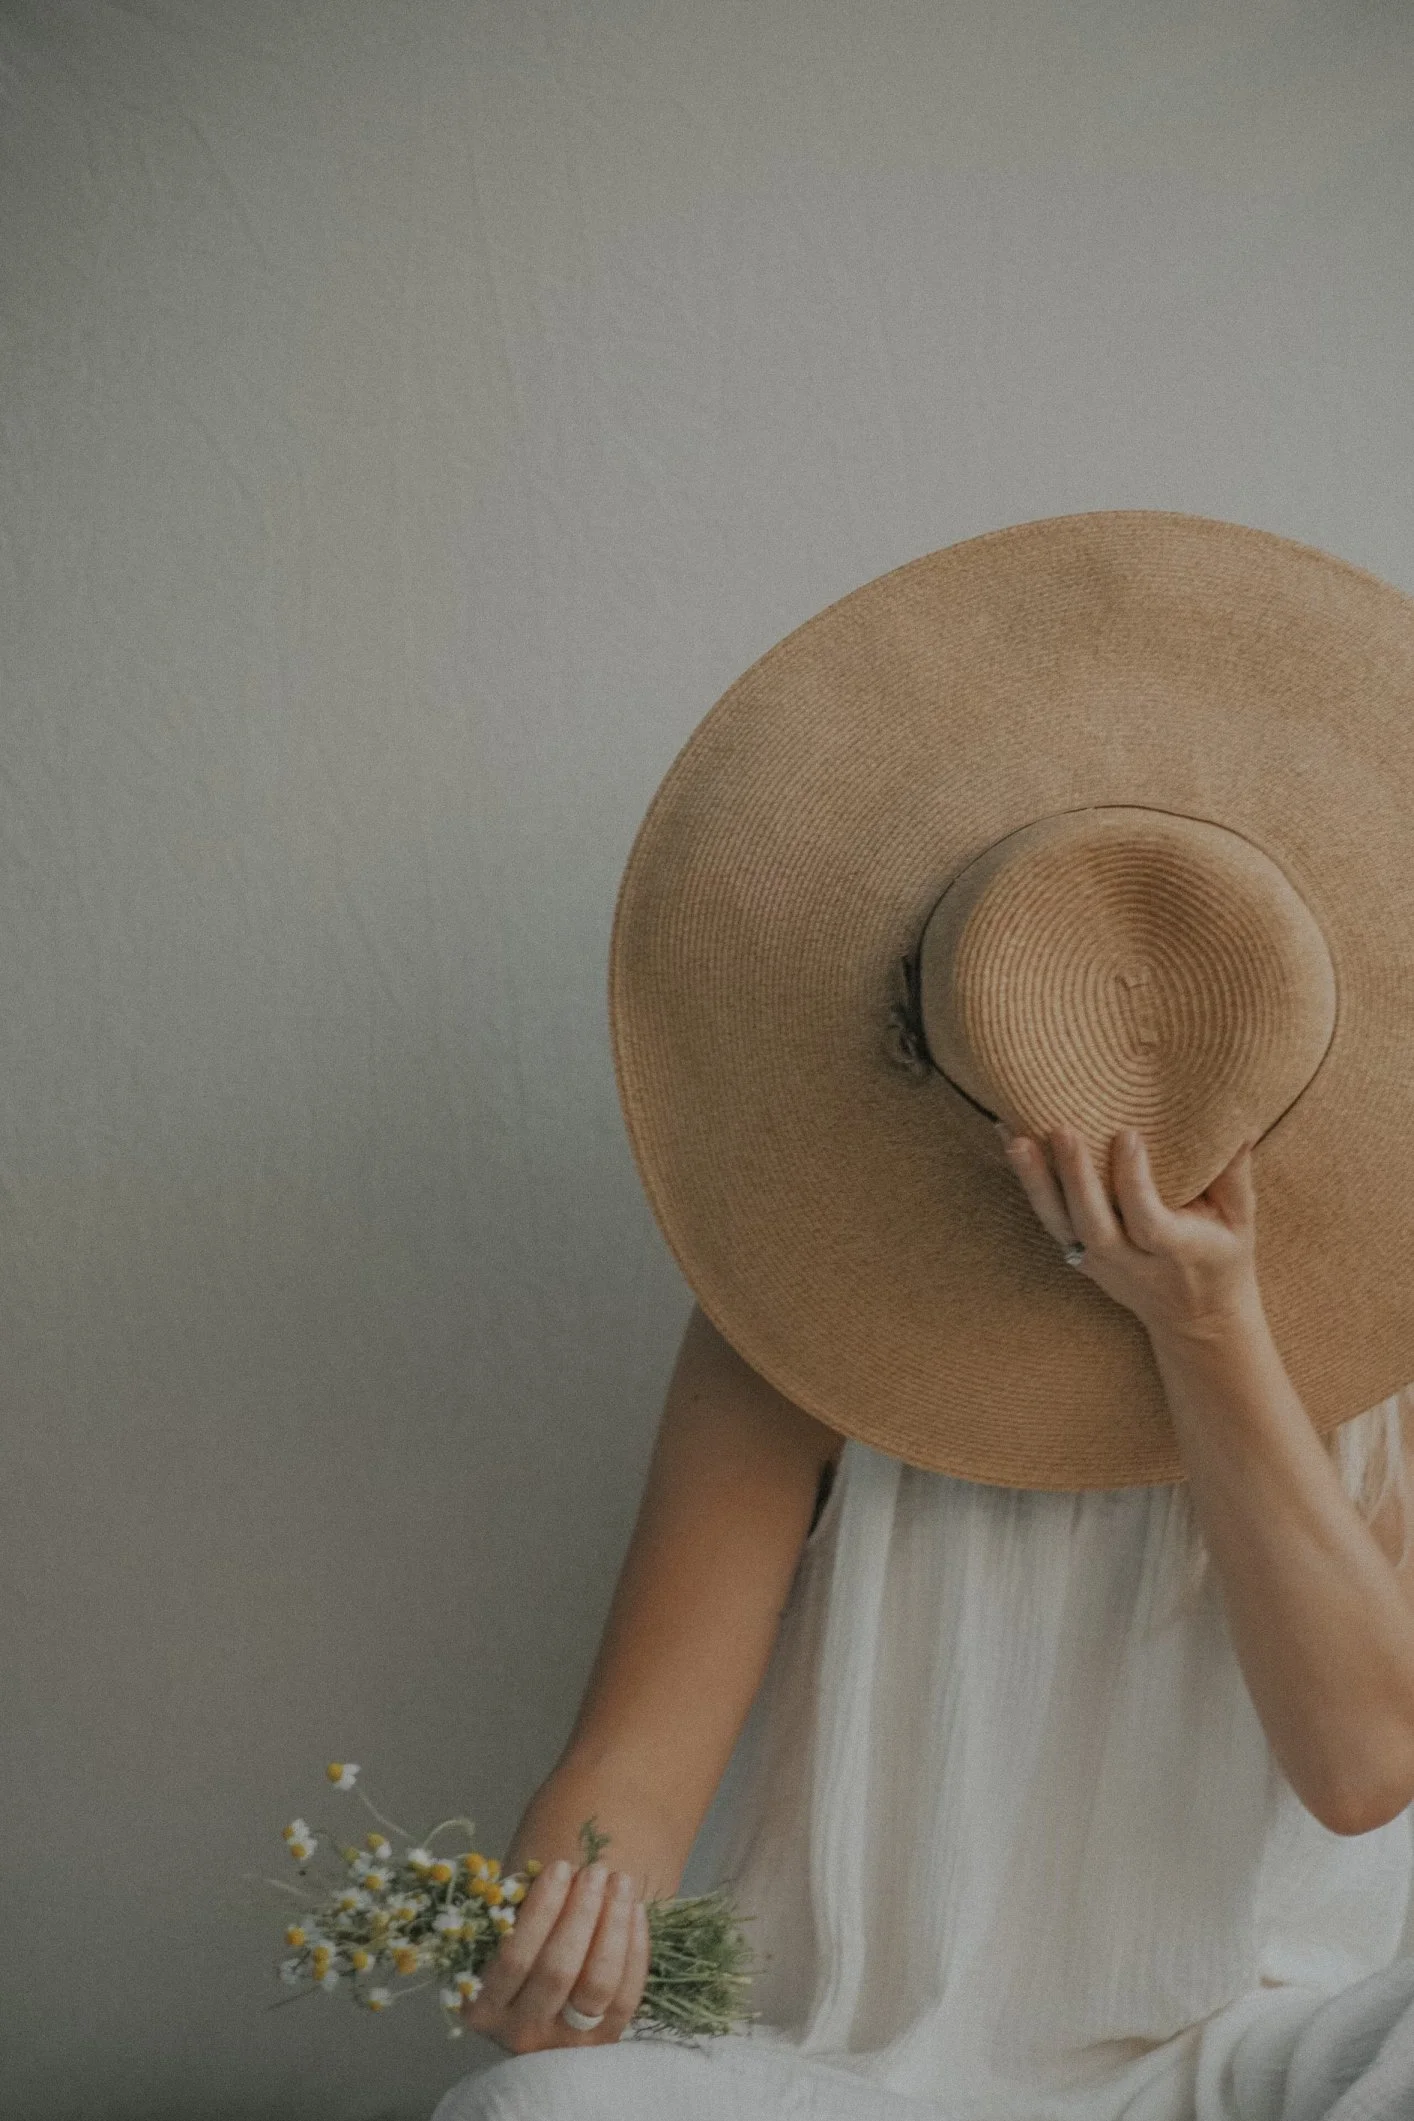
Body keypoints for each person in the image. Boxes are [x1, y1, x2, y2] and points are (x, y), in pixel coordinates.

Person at [430, 514, 1414, 2117]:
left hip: (1240, 2067)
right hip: (856, 2079)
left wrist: (1210, 1336)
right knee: (526, 2115)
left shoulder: (1385, 1348)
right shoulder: (792, 1327)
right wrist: (546, 1957)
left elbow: (1366, 1768)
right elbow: (631, 1776)